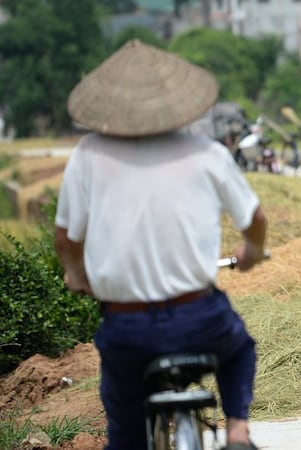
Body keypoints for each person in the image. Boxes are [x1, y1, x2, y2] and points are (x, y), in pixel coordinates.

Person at [54, 39, 266, 450]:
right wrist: (252, 253)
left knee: (124, 429)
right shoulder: (207, 153)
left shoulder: (89, 155)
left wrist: (76, 275)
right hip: (200, 319)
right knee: (240, 349)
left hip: (128, 329)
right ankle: (237, 431)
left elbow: (66, 237)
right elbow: (254, 219)